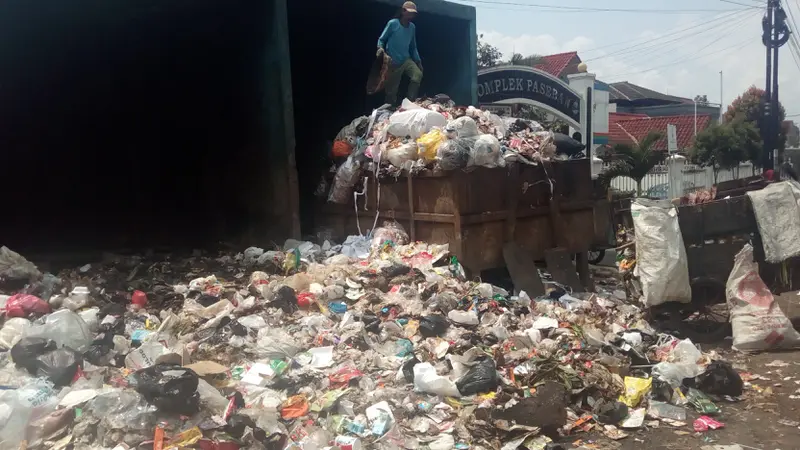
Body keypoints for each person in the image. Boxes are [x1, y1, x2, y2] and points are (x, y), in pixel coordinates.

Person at [377, 2, 423, 106]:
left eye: (413, 14)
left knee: (417, 75)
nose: (411, 16)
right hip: (393, 61)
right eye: (409, 13)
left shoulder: (412, 27)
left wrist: (418, 62)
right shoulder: (393, 23)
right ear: (403, 11)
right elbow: (382, 39)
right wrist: (380, 49)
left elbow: (413, 47)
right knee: (391, 91)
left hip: (406, 59)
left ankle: (410, 102)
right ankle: (389, 109)